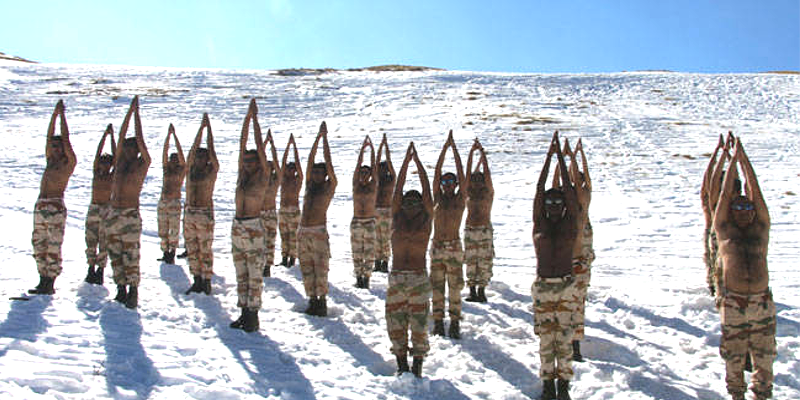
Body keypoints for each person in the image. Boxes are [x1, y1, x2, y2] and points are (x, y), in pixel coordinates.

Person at [714, 138, 775, 400]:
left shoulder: (760, 231)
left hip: (761, 302)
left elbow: (756, 191)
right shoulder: (725, 231)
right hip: (734, 302)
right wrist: (732, 162)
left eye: (747, 206)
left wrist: (744, 159)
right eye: (738, 206)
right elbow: (725, 195)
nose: (744, 210)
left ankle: (762, 394)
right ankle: (736, 395)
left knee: (765, 356)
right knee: (733, 355)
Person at [532, 131, 581, 400]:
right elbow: (539, 191)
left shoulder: (568, 223)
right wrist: (547, 158)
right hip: (542, 286)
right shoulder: (538, 223)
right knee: (545, 340)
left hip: (565, 285)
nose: (551, 205)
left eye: (556, 202)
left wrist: (561, 160)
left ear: (563, 206)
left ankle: (563, 386)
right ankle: (547, 384)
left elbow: (572, 197)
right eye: (549, 202)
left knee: (563, 339)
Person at [385, 142, 433, 378]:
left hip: (418, 278)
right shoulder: (397, 218)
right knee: (395, 322)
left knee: (420, 325)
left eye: (416, 202)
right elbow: (397, 190)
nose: (411, 206)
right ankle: (401, 362)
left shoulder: (425, 220)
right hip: (396, 278)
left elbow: (427, 193)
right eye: (408, 202)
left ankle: (418, 363)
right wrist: (405, 162)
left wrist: (418, 164)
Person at [106, 96, 151, 309]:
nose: (125, 150)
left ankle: (133, 290)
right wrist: (129, 113)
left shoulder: (140, 165)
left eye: (129, 148)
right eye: (124, 148)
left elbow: (140, 142)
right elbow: (122, 135)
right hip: (114, 213)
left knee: (130, 254)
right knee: (115, 253)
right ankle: (121, 288)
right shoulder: (120, 164)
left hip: (130, 214)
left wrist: (137, 116)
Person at [552, 138, 594, 362]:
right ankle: (563, 340)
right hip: (563, 258)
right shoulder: (564, 204)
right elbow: (556, 181)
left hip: (579, 259)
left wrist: (576, 157)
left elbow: (582, 181)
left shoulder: (582, 204)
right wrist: (562, 157)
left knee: (577, 303)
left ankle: (575, 344)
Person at [229, 99, 269, 332]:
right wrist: (246, 118)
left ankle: (253, 314)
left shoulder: (262, 177)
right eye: (246, 161)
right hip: (238, 226)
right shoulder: (242, 177)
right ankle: (243, 311)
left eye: (252, 161)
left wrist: (255, 121)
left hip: (254, 226)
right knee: (241, 272)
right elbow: (242, 144)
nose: (248, 164)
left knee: (254, 274)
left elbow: (260, 151)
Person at [29, 100, 76, 295]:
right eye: (54, 146)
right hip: (41, 205)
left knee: (53, 244)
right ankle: (42, 279)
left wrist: (62, 116)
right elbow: (49, 137)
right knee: (39, 243)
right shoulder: (50, 160)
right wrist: (54, 114)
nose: (55, 148)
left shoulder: (68, 163)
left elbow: (66, 138)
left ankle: (50, 281)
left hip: (55, 206)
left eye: (59, 146)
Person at [298, 122, 337, 317]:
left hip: (318, 232)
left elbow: (328, 164)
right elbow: (310, 160)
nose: (315, 175)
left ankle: (321, 301)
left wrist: (325, 141)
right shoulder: (309, 186)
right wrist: (317, 138)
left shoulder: (328, 187)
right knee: (306, 268)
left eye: (319, 172)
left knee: (320, 269)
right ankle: (312, 300)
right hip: (303, 232)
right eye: (314, 172)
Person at [430, 130, 466, 339]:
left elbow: (462, 174)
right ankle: (437, 321)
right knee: (436, 286)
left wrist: (455, 150)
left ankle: (454, 322)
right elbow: (436, 174)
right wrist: (445, 149)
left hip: (453, 246)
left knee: (454, 286)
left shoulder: (460, 200)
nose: (447, 185)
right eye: (445, 183)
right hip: (437, 246)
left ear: (456, 184)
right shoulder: (437, 198)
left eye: (451, 182)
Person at [183, 113, 219, 295]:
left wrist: (209, 130)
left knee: (205, 249)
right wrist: (200, 129)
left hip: (204, 213)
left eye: (201, 157)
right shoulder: (190, 171)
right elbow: (190, 152)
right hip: (189, 212)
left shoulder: (210, 172)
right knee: (192, 248)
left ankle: (206, 280)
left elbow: (212, 153)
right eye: (197, 157)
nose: (198, 160)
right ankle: (196, 279)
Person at [463, 138, 494, 304]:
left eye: (478, 180)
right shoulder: (468, 194)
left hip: (483, 229)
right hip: (469, 229)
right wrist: (471, 153)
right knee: (470, 261)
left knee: (484, 261)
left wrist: (482, 153)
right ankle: (472, 290)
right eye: (473, 180)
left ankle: (481, 290)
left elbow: (487, 174)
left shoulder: (487, 193)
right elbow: (467, 174)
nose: (475, 182)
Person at [84, 124, 115, 285]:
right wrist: (105, 135)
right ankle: (90, 269)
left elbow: (116, 158)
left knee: (104, 242)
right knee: (90, 240)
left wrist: (112, 138)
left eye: (107, 163)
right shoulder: (96, 173)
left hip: (106, 210)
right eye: (102, 163)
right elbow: (97, 155)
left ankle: (100, 270)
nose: (104, 165)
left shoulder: (112, 176)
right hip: (94, 208)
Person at [351, 135, 378, 289]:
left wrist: (372, 150)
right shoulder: (356, 185)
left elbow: (374, 169)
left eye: (366, 173)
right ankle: (358, 276)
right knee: (357, 252)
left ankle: (366, 277)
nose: (363, 176)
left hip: (369, 221)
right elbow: (357, 167)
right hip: (356, 221)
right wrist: (362, 150)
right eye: (361, 173)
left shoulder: (373, 186)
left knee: (368, 252)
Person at [156, 124, 186, 265]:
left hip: (174, 202)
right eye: (171, 159)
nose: (172, 161)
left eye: (175, 159)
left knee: (173, 229)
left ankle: (172, 252)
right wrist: (168, 136)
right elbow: (164, 152)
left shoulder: (181, 171)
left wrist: (175, 136)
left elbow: (182, 156)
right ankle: (165, 252)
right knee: (162, 228)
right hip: (163, 201)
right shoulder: (166, 170)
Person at [278, 134, 303, 268]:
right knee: (284, 235)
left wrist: (295, 148)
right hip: (282, 210)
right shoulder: (283, 179)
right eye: (289, 168)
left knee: (293, 236)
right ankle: (284, 257)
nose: (291, 170)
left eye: (293, 169)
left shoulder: (297, 180)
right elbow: (282, 164)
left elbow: (299, 166)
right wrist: (288, 146)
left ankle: (292, 258)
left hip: (294, 210)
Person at [260, 129, 281, 277]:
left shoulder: (275, 180)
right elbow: (259, 157)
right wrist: (264, 144)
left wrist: (272, 146)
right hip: (259, 213)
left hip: (271, 213)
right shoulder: (259, 181)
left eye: (270, 167)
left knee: (270, 241)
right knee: (258, 241)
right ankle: (259, 264)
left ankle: (268, 265)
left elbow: (278, 165)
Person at [374, 133, 395, 273]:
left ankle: (385, 262)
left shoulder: (391, 180)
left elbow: (390, 163)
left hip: (387, 211)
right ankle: (377, 261)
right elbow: (375, 163)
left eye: (384, 169)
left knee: (386, 238)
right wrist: (380, 146)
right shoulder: (376, 180)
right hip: (375, 210)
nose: (381, 171)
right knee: (376, 237)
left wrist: (386, 148)